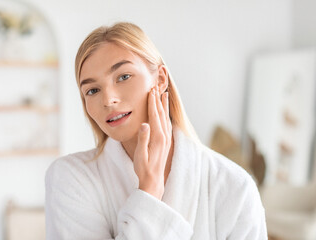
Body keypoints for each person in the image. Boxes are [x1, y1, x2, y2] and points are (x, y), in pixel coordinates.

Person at [45, 22, 267, 239]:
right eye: (92, 90)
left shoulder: (235, 187)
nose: (108, 99)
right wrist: (149, 190)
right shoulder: (70, 179)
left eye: (123, 77)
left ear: (160, 79)